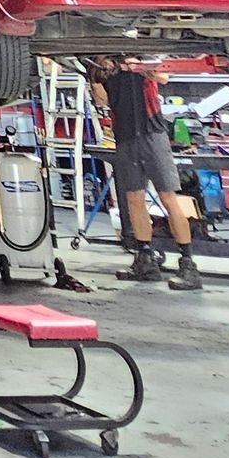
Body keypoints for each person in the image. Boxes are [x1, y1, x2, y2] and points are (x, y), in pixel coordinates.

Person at [88, 55, 202, 290]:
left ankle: (188, 265)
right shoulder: (105, 64)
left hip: (153, 133)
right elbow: (102, 101)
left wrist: (138, 67)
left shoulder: (140, 55)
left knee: (168, 197)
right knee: (134, 198)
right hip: (125, 136)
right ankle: (145, 260)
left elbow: (163, 76)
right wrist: (95, 78)